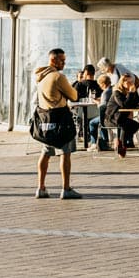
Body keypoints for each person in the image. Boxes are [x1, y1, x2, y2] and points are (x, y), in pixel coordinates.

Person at [34, 48, 81, 200]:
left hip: (45, 120)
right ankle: (65, 188)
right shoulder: (57, 77)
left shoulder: (41, 76)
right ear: (53, 60)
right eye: (62, 60)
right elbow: (74, 95)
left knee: (45, 153)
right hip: (60, 119)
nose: (64, 63)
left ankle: (41, 187)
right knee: (65, 153)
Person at [105, 73, 139, 158]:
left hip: (121, 118)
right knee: (126, 125)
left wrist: (134, 92)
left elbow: (138, 101)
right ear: (123, 83)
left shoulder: (128, 91)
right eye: (128, 83)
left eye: (132, 82)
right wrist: (131, 93)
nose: (131, 84)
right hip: (111, 118)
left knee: (135, 125)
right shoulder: (117, 92)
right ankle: (122, 146)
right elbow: (124, 105)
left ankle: (119, 142)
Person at [90, 73, 113, 150]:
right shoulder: (112, 90)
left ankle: (94, 143)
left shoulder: (105, 92)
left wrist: (97, 102)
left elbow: (102, 107)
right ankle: (105, 142)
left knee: (92, 123)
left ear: (103, 84)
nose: (99, 86)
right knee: (100, 121)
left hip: (107, 117)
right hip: (112, 115)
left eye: (100, 84)